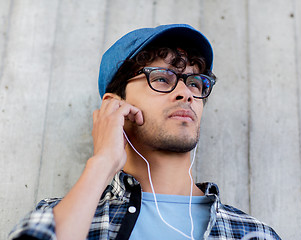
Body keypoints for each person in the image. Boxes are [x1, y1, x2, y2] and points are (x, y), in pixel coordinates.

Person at [9, 24, 281, 240]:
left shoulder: (251, 233)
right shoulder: (64, 216)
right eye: (162, 78)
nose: (186, 93)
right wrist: (102, 162)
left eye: (196, 83)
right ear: (115, 105)